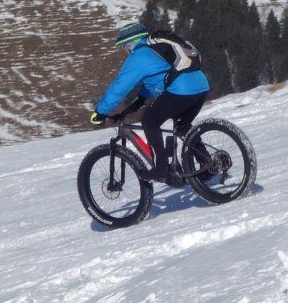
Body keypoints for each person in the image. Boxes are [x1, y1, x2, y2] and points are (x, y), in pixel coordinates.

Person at [90, 22, 210, 185]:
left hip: (181, 90)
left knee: (149, 121)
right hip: (201, 87)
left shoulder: (139, 57)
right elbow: (159, 78)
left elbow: (119, 87)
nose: (125, 50)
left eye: (124, 46)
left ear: (130, 43)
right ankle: (208, 164)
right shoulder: (155, 50)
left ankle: (161, 169)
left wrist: (100, 112)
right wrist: (140, 99)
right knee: (182, 126)